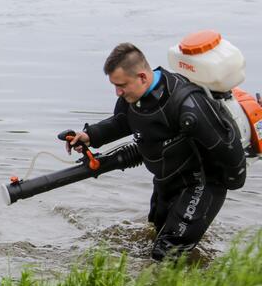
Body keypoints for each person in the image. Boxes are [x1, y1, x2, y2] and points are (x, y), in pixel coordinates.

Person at [67, 43, 246, 260]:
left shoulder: (188, 105)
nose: (118, 92)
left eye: (121, 85)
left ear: (142, 77)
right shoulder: (131, 97)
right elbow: (122, 123)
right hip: (167, 180)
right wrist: (89, 136)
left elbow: (228, 149)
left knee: (167, 253)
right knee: (155, 235)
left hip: (201, 185)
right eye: (115, 86)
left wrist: (229, 183)